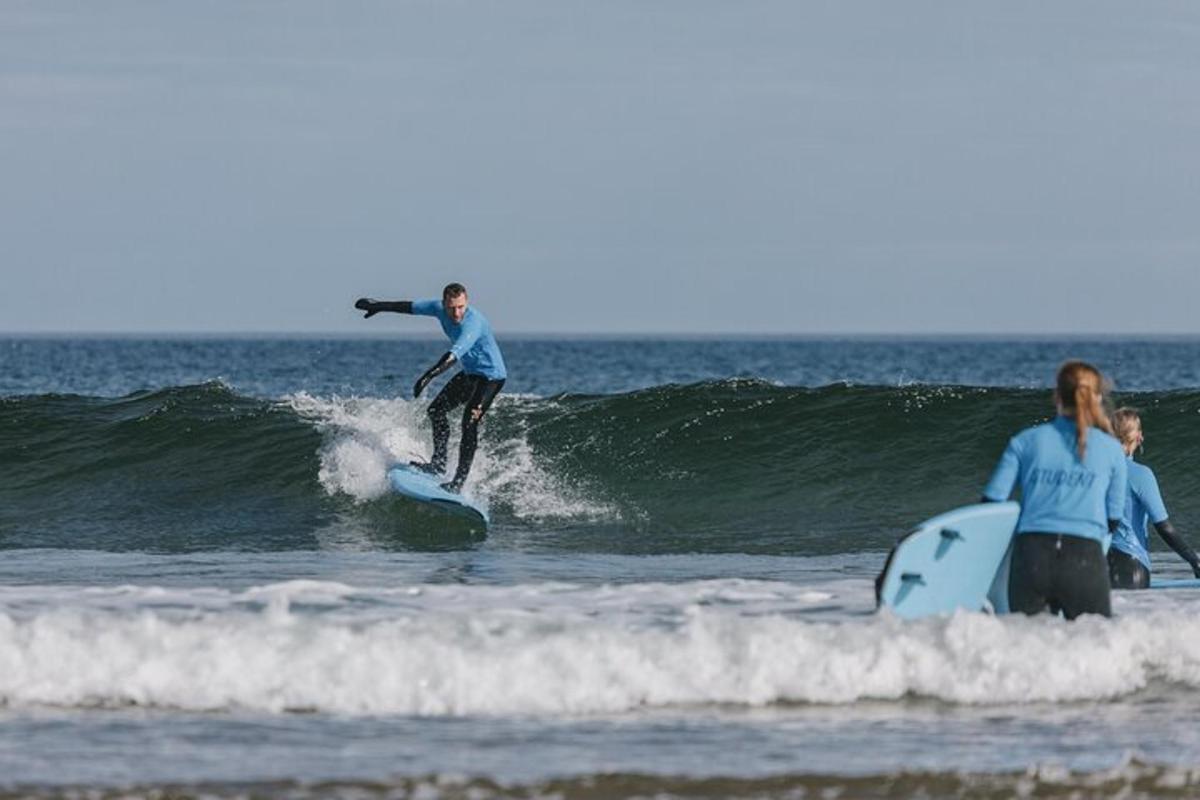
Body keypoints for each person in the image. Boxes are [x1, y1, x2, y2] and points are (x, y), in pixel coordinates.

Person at [982, 360, 1127, 619]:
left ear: (1057, 395)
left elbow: (992, 502)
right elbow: (1113, 519)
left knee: (1031, 647)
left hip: (1031, 557)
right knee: (1091, 645)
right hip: (1084, 559)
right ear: (1096, 398)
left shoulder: (1025, 441)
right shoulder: (1112, 449)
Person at [354, 283, 507, 492]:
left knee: (469, 424)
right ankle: (438, 463)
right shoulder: (437, 308)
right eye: (452, 308)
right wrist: (378, 306)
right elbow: (409, 307)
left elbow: (453, 355)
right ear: (444, 303)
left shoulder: (473, 324)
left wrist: (429, 375)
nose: (456, 313)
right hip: (471, 374)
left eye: (461, 307)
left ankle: (458, 483)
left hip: (491, 378)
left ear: (467, 302)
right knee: (436, 411)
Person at [1106, 408, 1200, 589]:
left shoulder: (1095, 471)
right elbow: (1164, 527)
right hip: (1131, 565)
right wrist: (1194, 561)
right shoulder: (1141, 474)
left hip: (1097, 566)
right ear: (1138, 437)